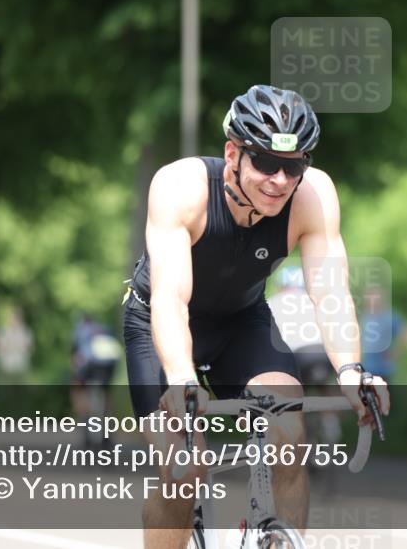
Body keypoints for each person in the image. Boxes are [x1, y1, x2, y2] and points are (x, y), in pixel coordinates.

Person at [123, 85, 390, 548]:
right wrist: (182, 379)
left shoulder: (315, 196)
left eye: (293, 167)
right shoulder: (180, 188)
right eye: (265, 162)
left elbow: (329, 291)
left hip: (241, 323)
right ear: (233, 153)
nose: (280, 181)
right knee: (184, 469)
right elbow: (170, 298)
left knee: (289, 432)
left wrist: (350, 370)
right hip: (160, 323)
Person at [71, 314, 123, 447]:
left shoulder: (80, 330)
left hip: (89, 366)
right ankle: (107, 434)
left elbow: (75, 354)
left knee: (79, 391)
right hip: (109, 364)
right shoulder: (104, 330)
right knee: (106, 395)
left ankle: (86, 428)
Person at [359, 284, 407, 382]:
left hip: (383, 368)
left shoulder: (389, 316)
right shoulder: (365, 317)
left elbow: (406, 334)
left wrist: (395, 354)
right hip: (365, 368)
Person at [0, 308, 33, 382]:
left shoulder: (26, 332)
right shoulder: (2, 330)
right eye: (13, 318)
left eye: (17, 319)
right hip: (5, 362)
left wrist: (17, 348)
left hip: (20, 362)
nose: (14, 321)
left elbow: (28, 348)